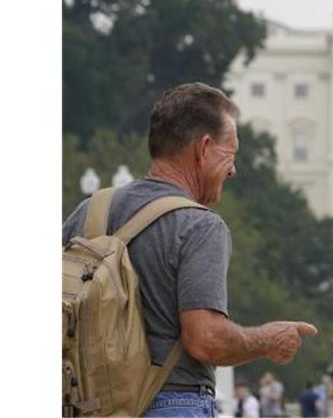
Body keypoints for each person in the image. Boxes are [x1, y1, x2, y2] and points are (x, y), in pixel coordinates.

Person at [62, 82, 319, 417]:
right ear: (204, 148)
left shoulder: (89, 210)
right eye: (231, 153)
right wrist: (268, 340)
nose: (233, 169)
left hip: (85, 405)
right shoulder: (199, 226)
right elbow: (205, 339)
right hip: (172, 401)